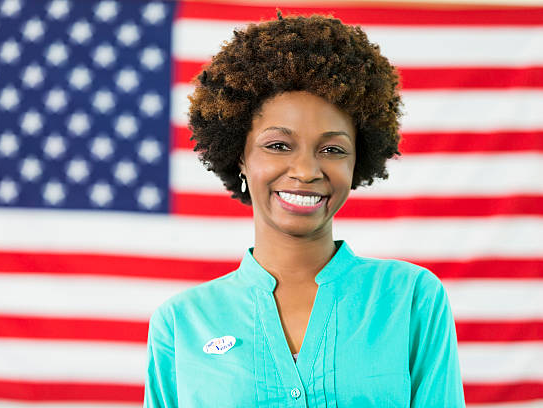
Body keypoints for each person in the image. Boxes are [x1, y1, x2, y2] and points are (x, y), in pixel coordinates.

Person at [144, 10, 465, 407]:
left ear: (357, 162)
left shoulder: (411, 298)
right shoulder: (181, 323)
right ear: (239, 156)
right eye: (278, 145)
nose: (307, 171)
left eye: (332, 150)